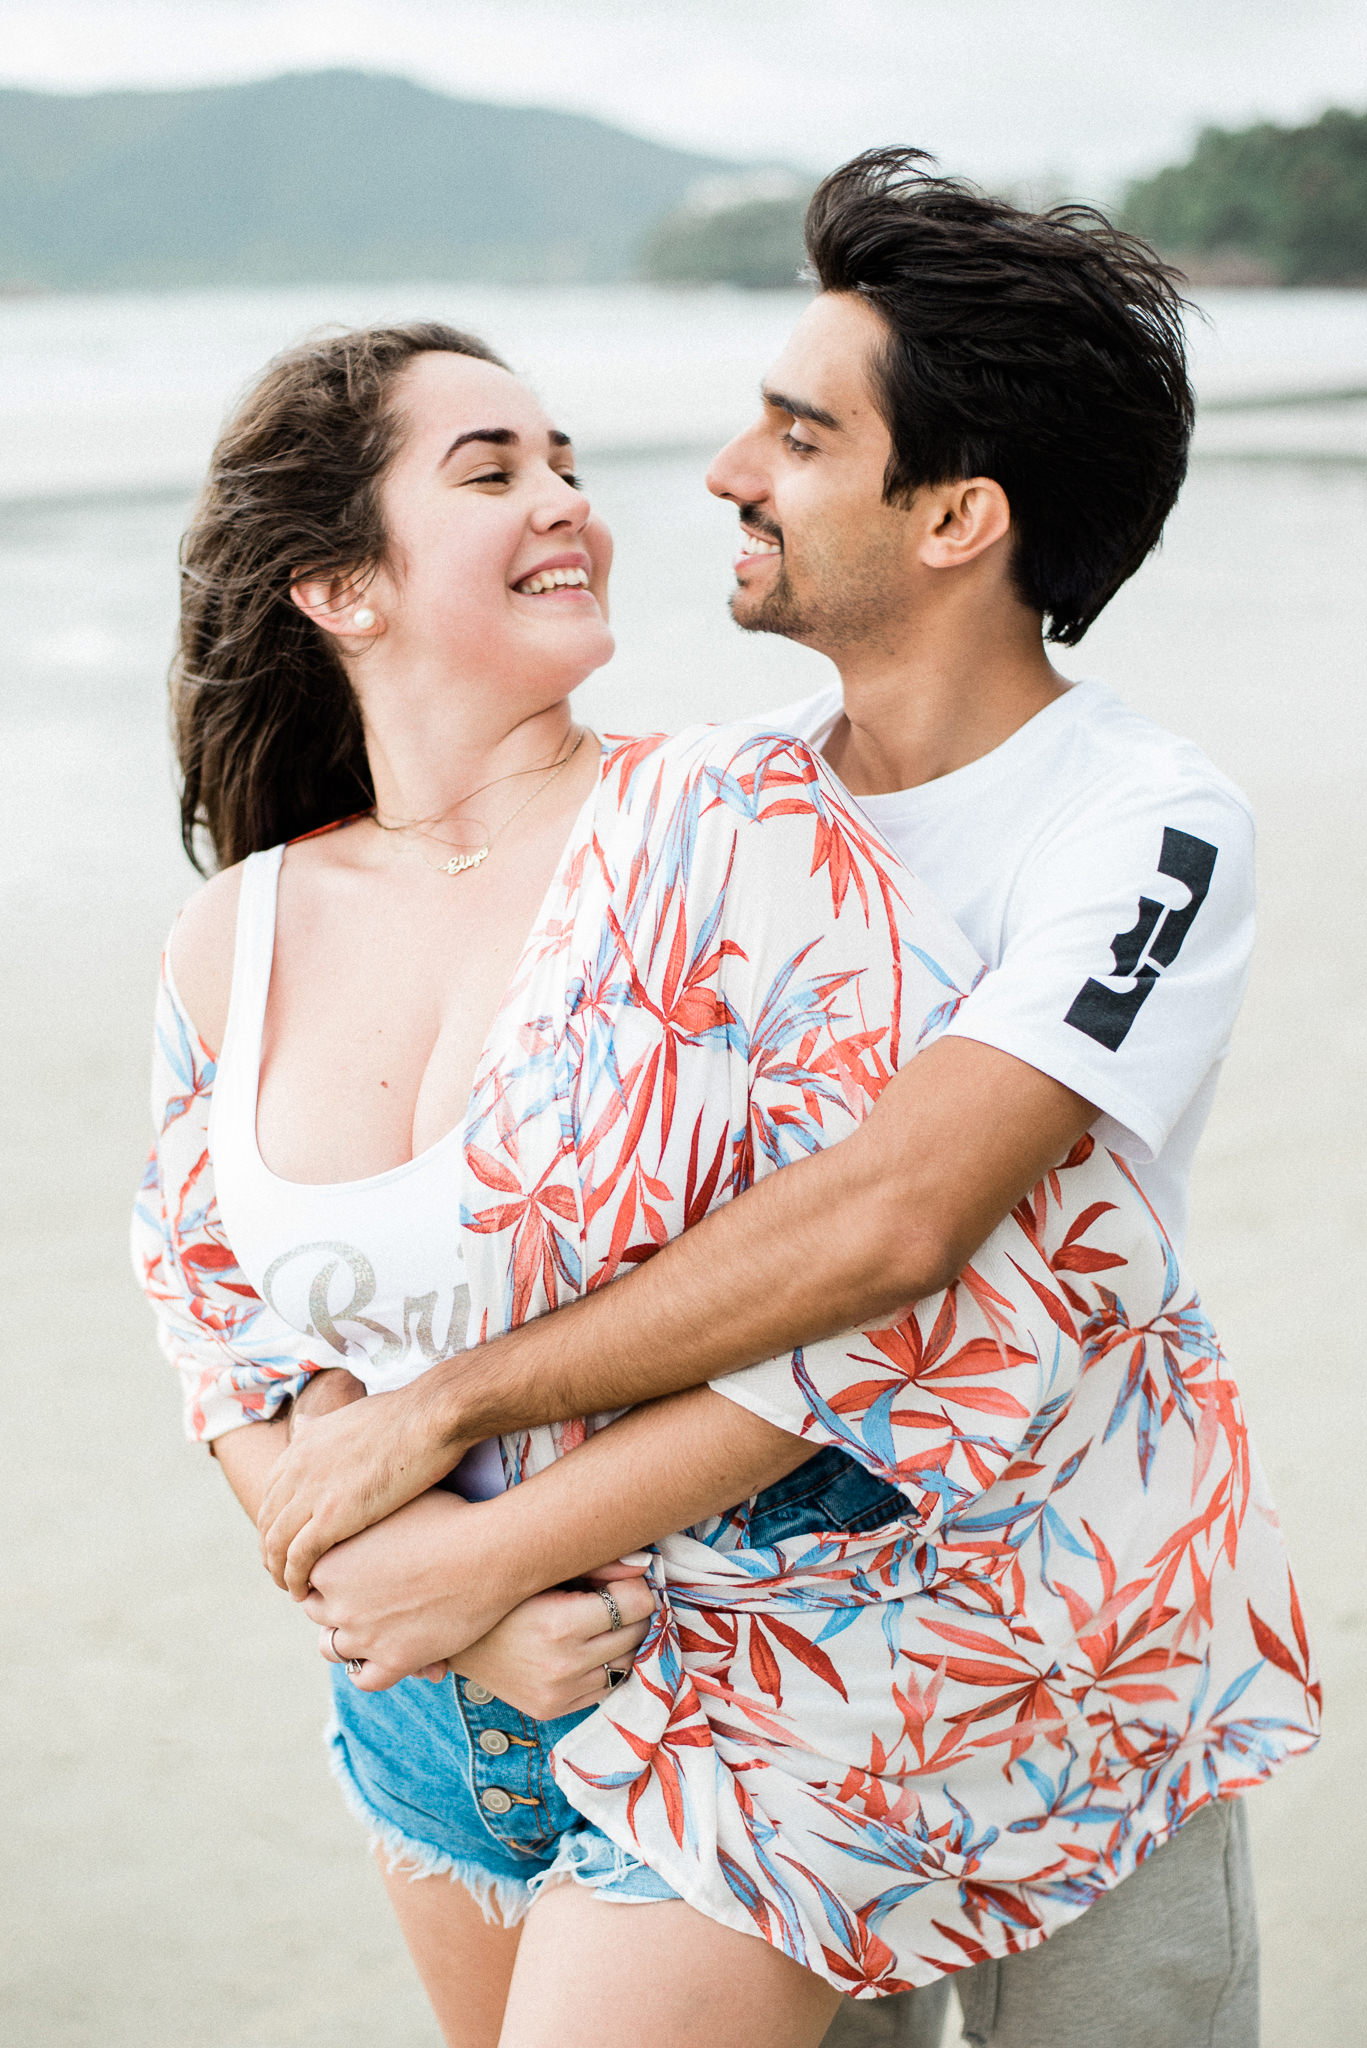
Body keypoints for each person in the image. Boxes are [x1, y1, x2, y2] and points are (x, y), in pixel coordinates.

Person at [246, 155, 1322, 2046]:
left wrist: (451, 1442)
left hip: (1082, 1672)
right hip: (778, 1712)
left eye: (801, 434)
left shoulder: (1141, 823)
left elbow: (903, 1222)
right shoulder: (721, 803)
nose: (727, 469)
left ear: (958, 516)